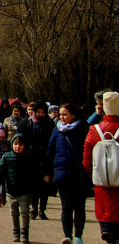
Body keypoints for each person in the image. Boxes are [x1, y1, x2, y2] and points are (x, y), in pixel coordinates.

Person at [45, 101, 88, 244]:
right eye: (60, 115)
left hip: (79, 174)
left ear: (73, 115)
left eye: (65, 115)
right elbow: (50, 151)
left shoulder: (83, 128)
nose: (61, 117)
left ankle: (78, 236)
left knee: (80, 208)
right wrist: (48, 172)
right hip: (62, 174)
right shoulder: (57, 129)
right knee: (66, 207)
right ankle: (67, 235)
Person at [84, 91, 119, 244]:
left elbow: (86, 161)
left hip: (101, 185)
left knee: (105, 216)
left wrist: (95, 176)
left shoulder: (94, 130)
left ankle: (106, 231)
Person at [0, 133, 38, 243]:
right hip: (11, 191)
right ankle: (16, 232)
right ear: (12, 145)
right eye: (16, 144)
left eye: (20, 144)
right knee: (13, 213)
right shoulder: (6, 157)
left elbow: (34, 173)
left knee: (25, 212)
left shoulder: (29, 158)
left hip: (25, 191)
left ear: (24, 145)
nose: (18, 147)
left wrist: (34, 187)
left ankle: (25, 233)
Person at [20, 101, 55, 219]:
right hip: (32, 157)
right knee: (34, 186)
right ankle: (34, 208)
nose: (41, 114)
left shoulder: (50, 124)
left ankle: (42, 209)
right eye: (38, 112)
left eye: (43, 112)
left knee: (45, 186)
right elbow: (22, 138)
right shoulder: (28, 123)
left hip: (46, 157)